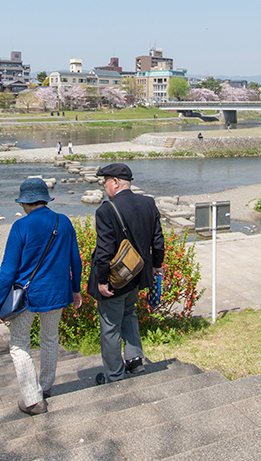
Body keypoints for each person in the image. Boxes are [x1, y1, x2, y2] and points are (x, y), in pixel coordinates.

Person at [0, 178, 83, 416]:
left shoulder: (21, 227)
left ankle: (32, 400)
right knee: (50, 339)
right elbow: (75, 260)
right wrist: (76, 290)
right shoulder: (63, 222)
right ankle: (46, 387)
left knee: (19, 344)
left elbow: (8, 271)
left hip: (28, 296)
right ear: (45, 199)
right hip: (57, 292)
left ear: (24, 203)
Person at [89, 163, 165, 385]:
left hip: (115, 278)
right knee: (130, 313)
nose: (105, 188)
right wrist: (157, 265)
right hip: (138, 274)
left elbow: (104, 250)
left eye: (105, 182)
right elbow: (157, 239)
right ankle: (134, 361)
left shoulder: (106, 210)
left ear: (115, 182)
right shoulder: (148, 202)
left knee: (110, 324)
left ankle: (114, 375)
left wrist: (102, 281)